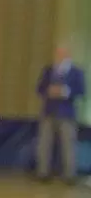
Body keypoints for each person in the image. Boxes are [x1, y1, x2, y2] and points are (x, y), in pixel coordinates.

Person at [36, 45, 85, 183]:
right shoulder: (49, 70)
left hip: (67, 114)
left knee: (68, 145)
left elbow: (81, 91)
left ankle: (70, 175)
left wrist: (65, 92)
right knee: (44, 144)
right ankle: (43, 173)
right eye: (58, 53)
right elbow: (39, 88)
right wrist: (48, 91)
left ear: (68, 55)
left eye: (63, 54)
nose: (60, 56)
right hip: (49, 112)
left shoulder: (76, 71)